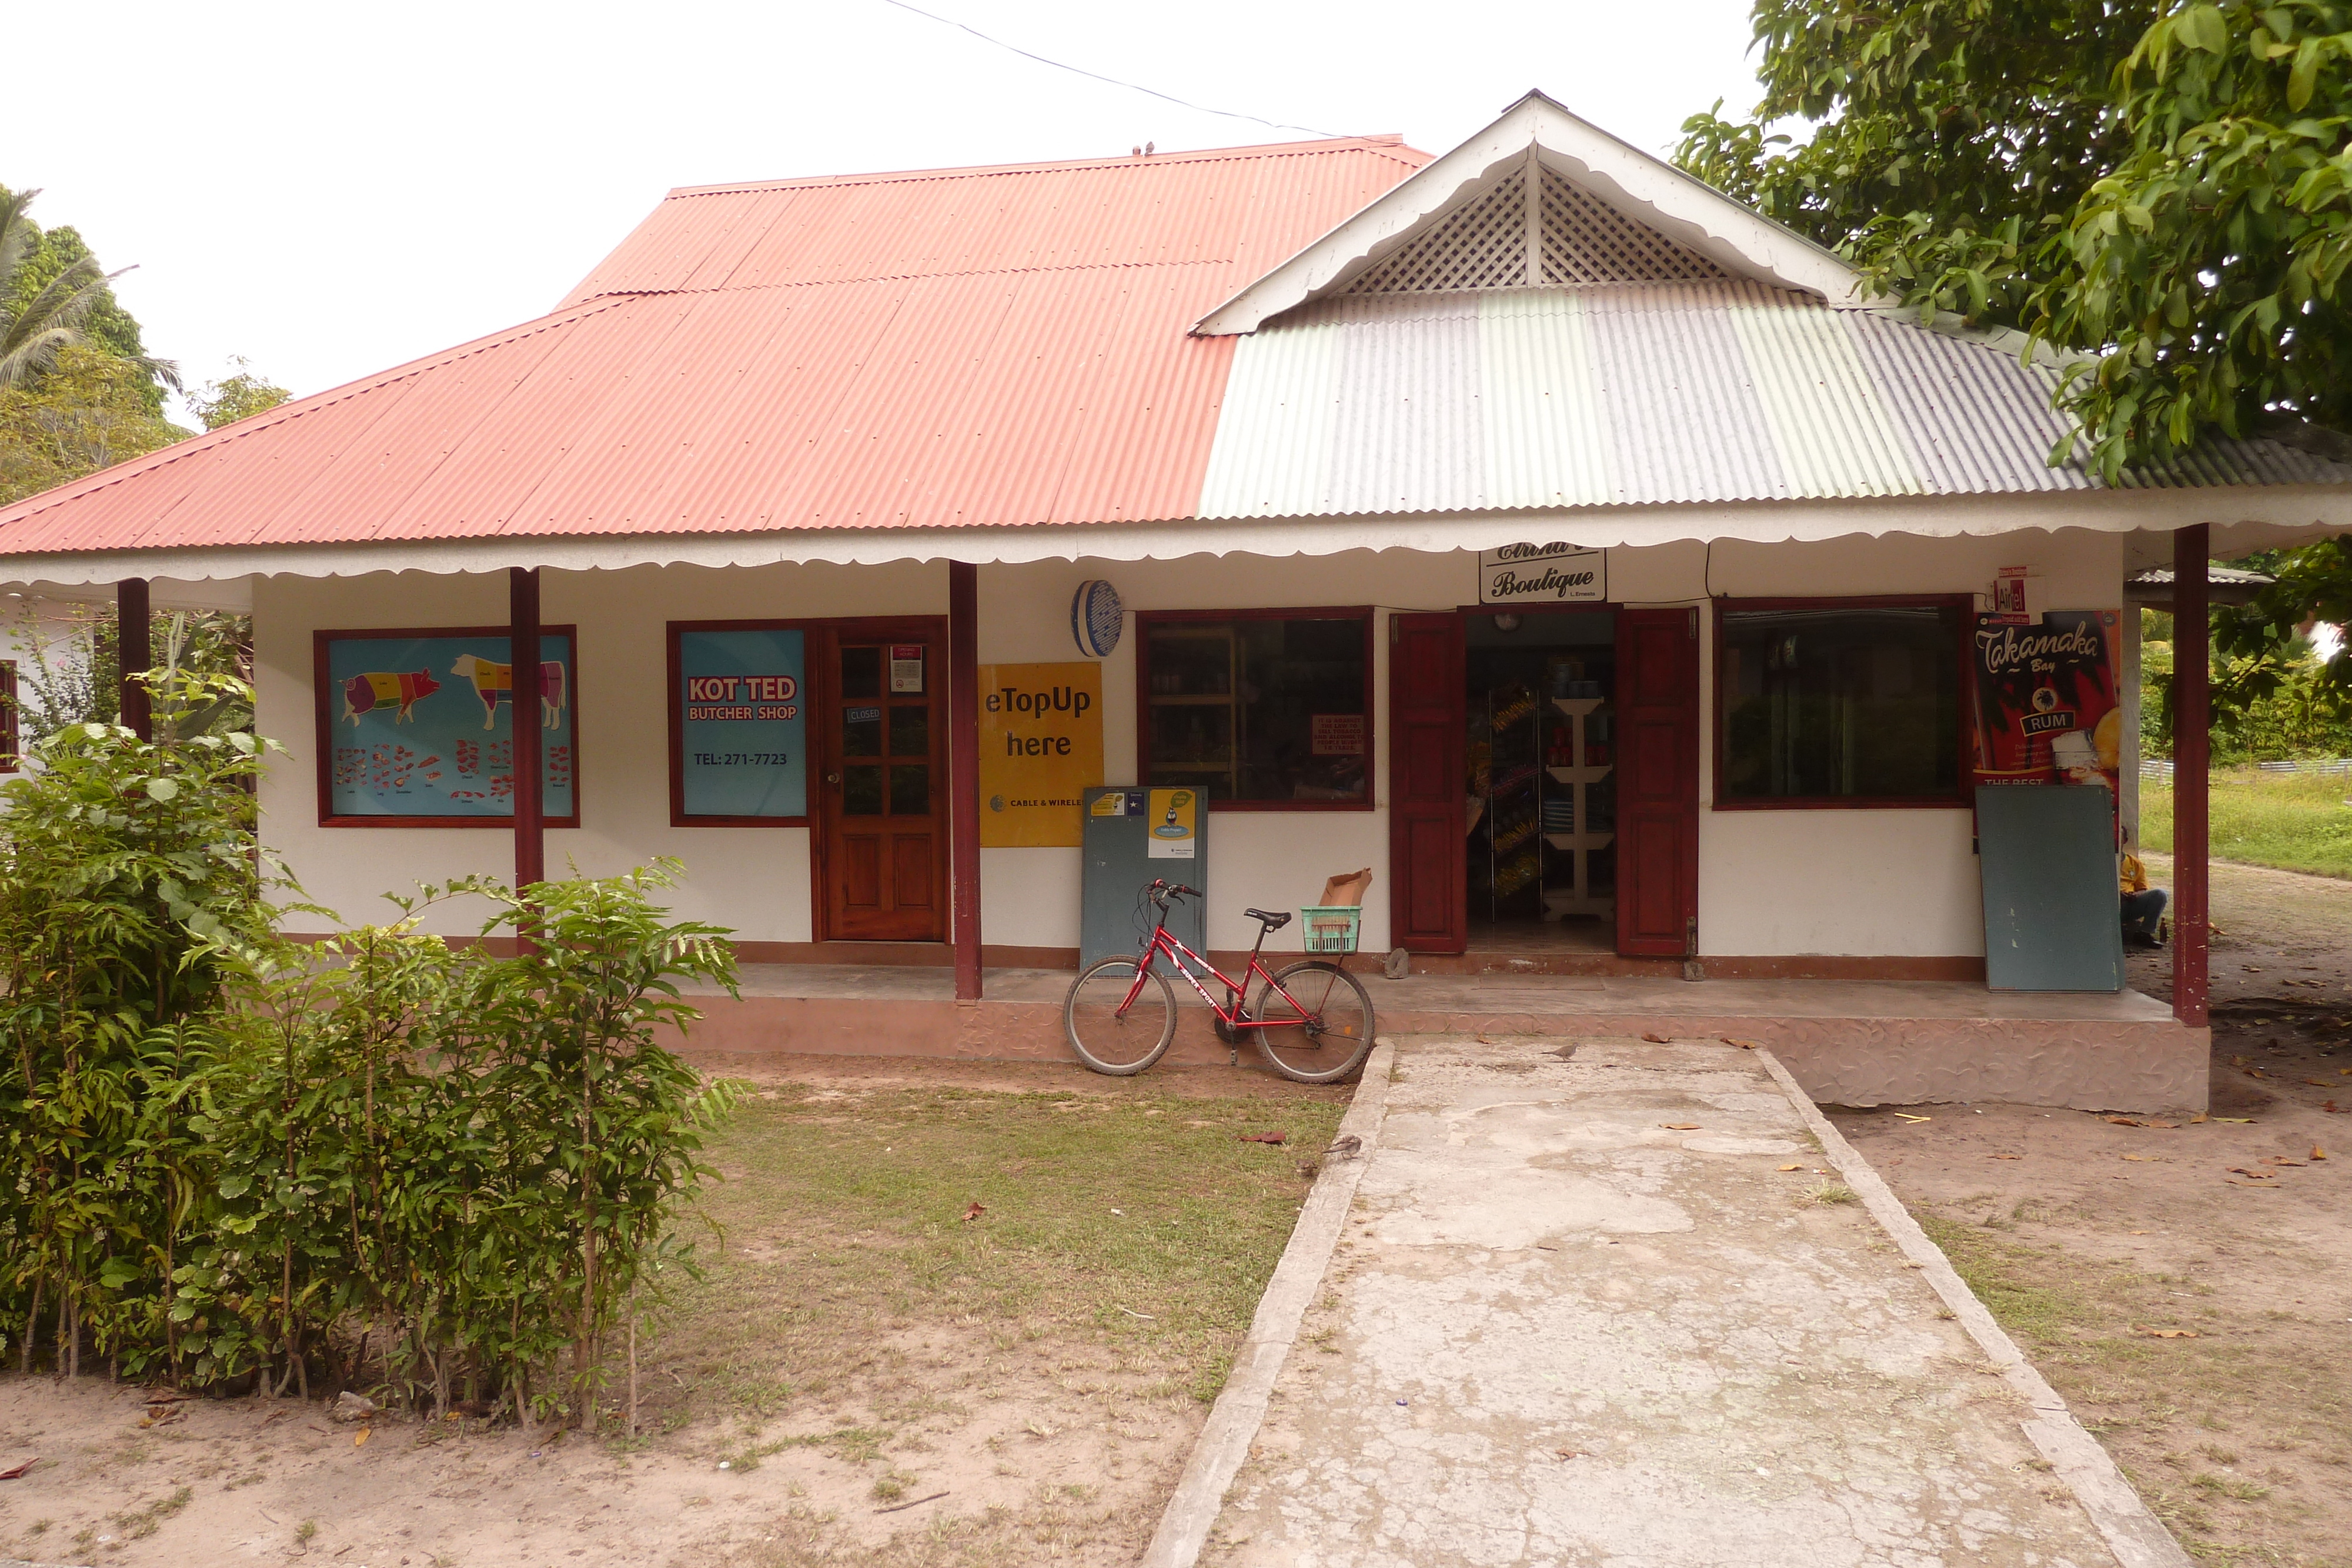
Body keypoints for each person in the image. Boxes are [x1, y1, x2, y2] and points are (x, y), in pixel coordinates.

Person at [2120, 827, 2167, 948]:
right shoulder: (2098, 862)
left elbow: (2143, 888)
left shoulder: (2134, 862)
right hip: (2106, 905)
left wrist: (2135, 895)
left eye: (2119, 836)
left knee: (2160, 894)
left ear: (2124, 840)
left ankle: (2145, 933)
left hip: (2127, 905)